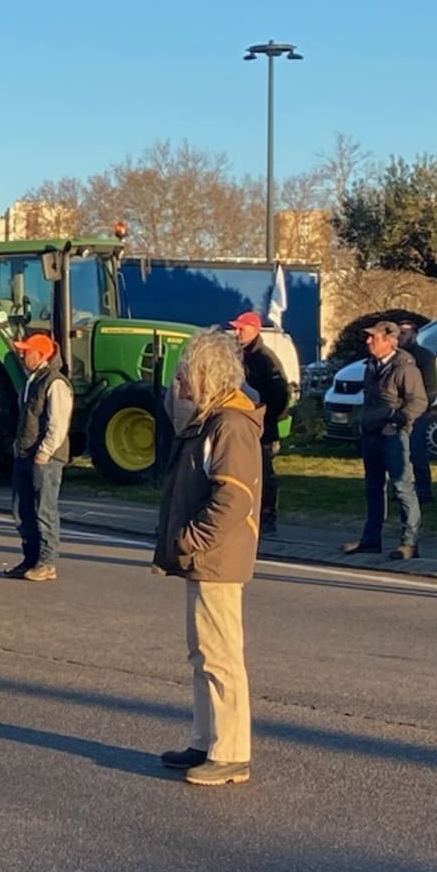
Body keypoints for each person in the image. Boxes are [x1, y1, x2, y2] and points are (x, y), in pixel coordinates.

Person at [153, 331, 262, 786]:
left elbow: (233, 499)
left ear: (207, 374)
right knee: (204, 654)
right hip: (206, 555)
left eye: (186, 372)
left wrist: (192, 538)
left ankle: (231, 751)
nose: (179, 381)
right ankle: (205, 738)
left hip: (217, 556)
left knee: (221, 657)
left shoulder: (230, 425)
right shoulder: (210, 420)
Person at [343, 321, 427, 560]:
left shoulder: (405, 368)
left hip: (393, 436)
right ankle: (371, 540)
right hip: (370, 434)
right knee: (373, 487)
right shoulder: (371, 366)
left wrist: (397, 423)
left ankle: (409, 542)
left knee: (402, 486)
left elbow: (418, 401)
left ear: (389, 340)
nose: (368, 341)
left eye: (374, 337)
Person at [7, 332, 70, 582]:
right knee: (21, 509)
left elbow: (58, 421)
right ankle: (30, 558)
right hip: (25, 453)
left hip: (44, 457)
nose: (22, 355)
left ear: (42, 355)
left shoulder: (55, 382)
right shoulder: (31, 380)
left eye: (27, 351)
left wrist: (44, 452)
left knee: (44, 509)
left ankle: (46, 562)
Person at [226, 312, 289, 534]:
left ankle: (267, 517)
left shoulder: (265, 359)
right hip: (242, 425)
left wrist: (266, 415)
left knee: (264, 473)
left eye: (241, 329)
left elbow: (281, 394)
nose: (236, 333)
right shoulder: (238, 355)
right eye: (236, 328)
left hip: (262, 426)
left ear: (254, 329)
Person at [398, 320, 437, 506]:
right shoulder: (397, 357)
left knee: (418, 453)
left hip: (417, 413)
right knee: (399, 454)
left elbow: (432, 388)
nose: (400, 337)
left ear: (414, 335)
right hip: (397, 412)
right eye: (398, 333)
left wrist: (420, 408)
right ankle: (401, 489)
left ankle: (424, 491)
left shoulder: (425, 357)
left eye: (404, 333)